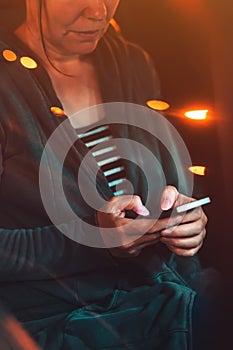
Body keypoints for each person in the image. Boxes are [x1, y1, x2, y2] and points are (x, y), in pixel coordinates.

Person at [0, 1, 218, 349]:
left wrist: (187, 217)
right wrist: (92, 240)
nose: (99, 12)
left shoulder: (131, 63)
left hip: (165, 288)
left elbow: (172, 173)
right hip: (63, 318)